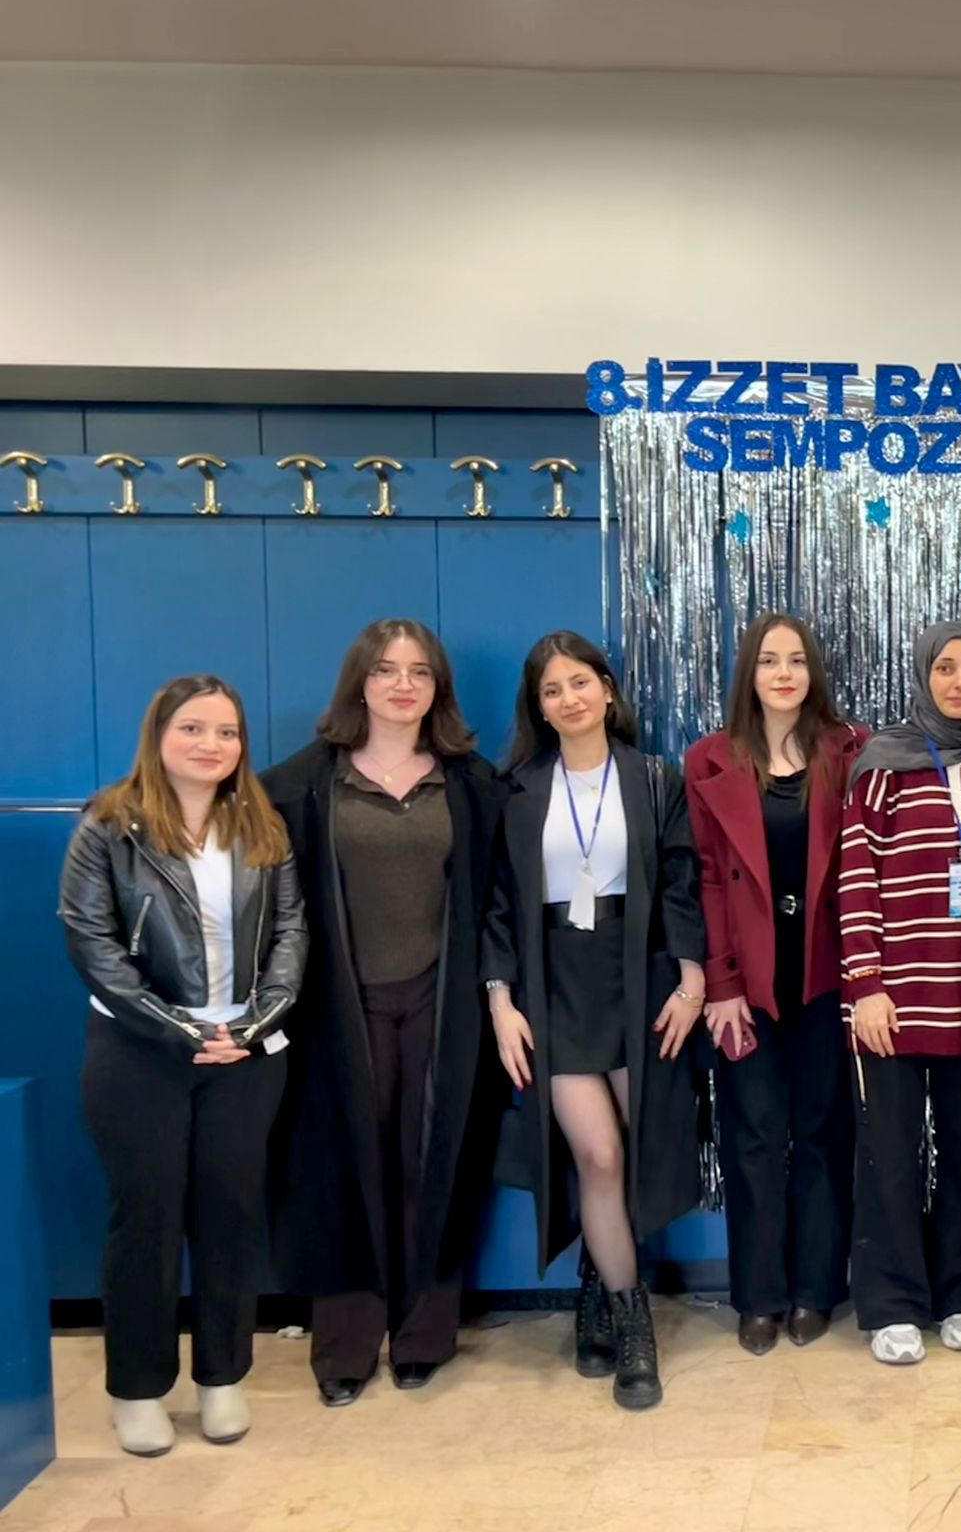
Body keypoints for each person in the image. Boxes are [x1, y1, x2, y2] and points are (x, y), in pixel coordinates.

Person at [57, 675, 307, 1456]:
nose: (210, 745)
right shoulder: (109, 825)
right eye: (192, 728)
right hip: (139, 1053)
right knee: (148, 1220)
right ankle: (136, 1389)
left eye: (226, 732)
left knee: (229, 1216)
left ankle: (223, 1378)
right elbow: (91, 942)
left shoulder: (261, 825)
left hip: (245, 1054)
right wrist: (176, 1029)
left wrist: (255, 1024)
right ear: (159, 735)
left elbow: (292, 934)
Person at [265, 620, 505, 1408]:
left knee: (430, 1163)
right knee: (343, 1170)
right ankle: (344, 1345)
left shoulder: (471, 785)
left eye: (420, 672)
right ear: (359, 683)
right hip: (337, 1009)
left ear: (438, 688)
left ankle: (423, 1335)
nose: (403, 685)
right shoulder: (300, 786)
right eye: (386, 670)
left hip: (439, 1002)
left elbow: (495, 902)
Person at [481, 632, 708, 1410]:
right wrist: (500, 1000)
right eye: (552, 690)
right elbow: (498, 906)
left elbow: (681, 882)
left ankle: (596, 1282)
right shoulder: (516, 790)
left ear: (607, 690)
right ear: (539, 709)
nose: (569, 699)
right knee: (599, 1156)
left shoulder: (653, 777)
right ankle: (632, 1319)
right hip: (555, 990)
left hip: (636, 978)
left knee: (638, 1150)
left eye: (580, 682)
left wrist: (692, 976)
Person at [686, 612, 865, 1355]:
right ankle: (759, 1295)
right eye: (768, 660)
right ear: (749, 674)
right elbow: (707, 878)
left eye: (796, 660)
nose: (784, 673)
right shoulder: (709, 760)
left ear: (812, 670)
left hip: (827, 974)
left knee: (823, 1133)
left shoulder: (848, 750)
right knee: (753, 1136)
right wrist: (722, 982)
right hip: (746, 982)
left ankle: (816, 1289)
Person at [838, 620, 961, 1366]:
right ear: (923, 674)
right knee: (889, 1157)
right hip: (894, 1000)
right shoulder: (882, 764)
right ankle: (893, 1303)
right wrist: (866, 984)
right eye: (946, 668)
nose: (960, 682)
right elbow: (855, 879)